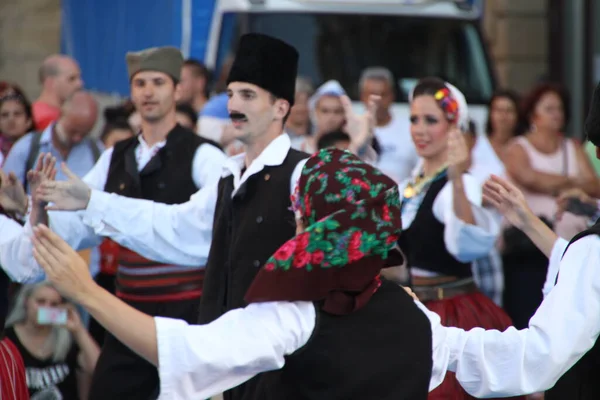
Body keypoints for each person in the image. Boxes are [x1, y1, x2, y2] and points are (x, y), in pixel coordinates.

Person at [28, 146, 600, 400]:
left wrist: (86, 294)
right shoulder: (419, 320)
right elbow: (535, 358)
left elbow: (188, 352)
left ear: (306, 217)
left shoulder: (294, 318)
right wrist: (581, 258)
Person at [4, 282, 100, 399]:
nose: (47, 308)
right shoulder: (7, 339)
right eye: (41, 302)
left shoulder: (67, 340)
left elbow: (98, 369)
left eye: (54, 305)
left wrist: (78, 329)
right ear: (26, 302)